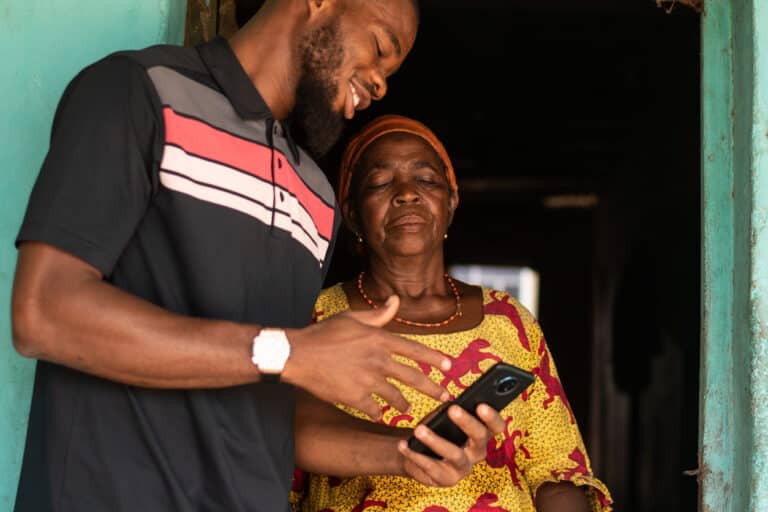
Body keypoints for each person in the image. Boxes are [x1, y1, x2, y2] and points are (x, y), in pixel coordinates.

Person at [10, 2, 506, 511]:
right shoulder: (140, 91)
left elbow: (272, 399)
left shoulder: (315, 197)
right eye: (380, 47)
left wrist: (405, 453)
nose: (381, 84)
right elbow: (45, 312)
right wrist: (287, 352)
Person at [289, 114, 615, 512]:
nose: (406, 193)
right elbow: (279, 459)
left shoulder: (507, 321)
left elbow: (557, 473)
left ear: (452, 202)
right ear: (353, 212)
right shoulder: (316, 320)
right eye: (380, 182)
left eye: (425, 180)